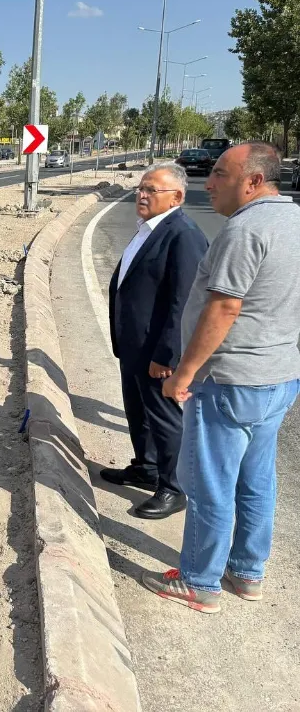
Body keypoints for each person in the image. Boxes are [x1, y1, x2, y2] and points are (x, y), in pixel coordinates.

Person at [142, 142, 300, 613]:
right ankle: (247, 572)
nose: (207, 183)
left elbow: (225, 306)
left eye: (220, 174)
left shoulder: (245, 230)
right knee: (256, 479)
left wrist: (184, 372)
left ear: (253, 181)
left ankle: (200, 582)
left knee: (211, 483)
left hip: (230, 380)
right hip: (278, 377)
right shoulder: (293, 221)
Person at [102, 163, 208, 519]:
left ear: (176, 197)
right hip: (134, 343)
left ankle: (173, 487)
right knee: (137, 410)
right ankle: (145, 468)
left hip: (157, 350)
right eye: (140, 189)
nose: (142, 195)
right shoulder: (148, 229)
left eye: (152, 190)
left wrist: (167, 355)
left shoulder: (183, 235)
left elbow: (184, 303)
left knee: (163, 418)